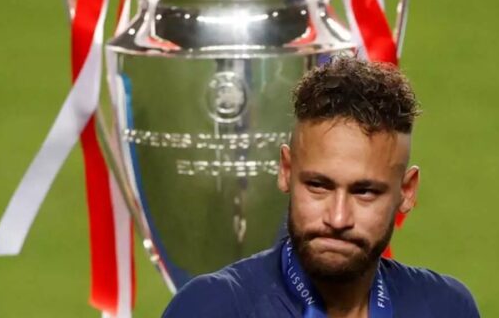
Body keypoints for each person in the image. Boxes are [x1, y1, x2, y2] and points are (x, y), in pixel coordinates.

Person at [162, 58, 479, 317]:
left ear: (406, 191)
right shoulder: (215, 309)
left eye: (364, 192)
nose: (338, 219)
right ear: (286, 171)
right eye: (318, 185)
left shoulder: (446, 308)